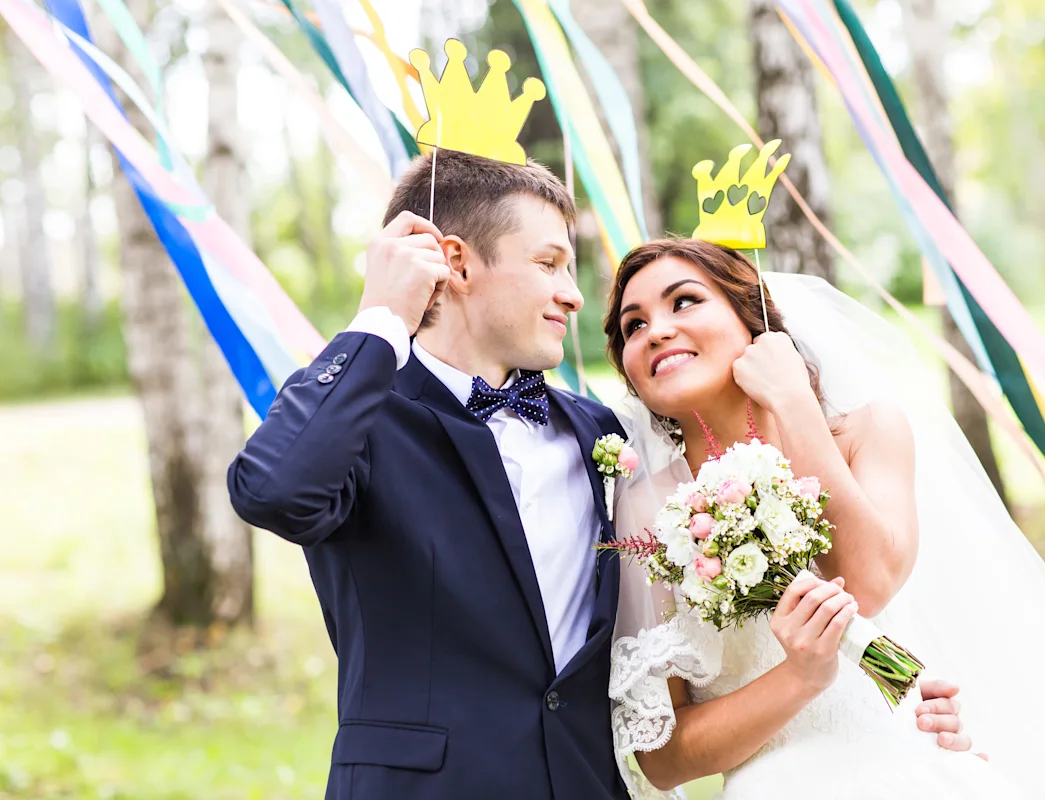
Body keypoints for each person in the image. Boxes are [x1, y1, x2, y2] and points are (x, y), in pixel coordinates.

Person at [228, 152, 972, 800]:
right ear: (456, 264)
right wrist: (381, 319)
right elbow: (272, 490)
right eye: (549, 263)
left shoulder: (602, 439)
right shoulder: (356, 419)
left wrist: (908, 691)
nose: (576, 294)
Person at [602, 238, 1045, 799]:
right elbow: (663, 759)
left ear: (753, 316)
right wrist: (799, 677)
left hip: (913, 767)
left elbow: (867, 584)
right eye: (633, 325)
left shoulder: (868, 433)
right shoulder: (646, 509)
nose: (656, 331)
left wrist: (793, 401)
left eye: (684, 301)